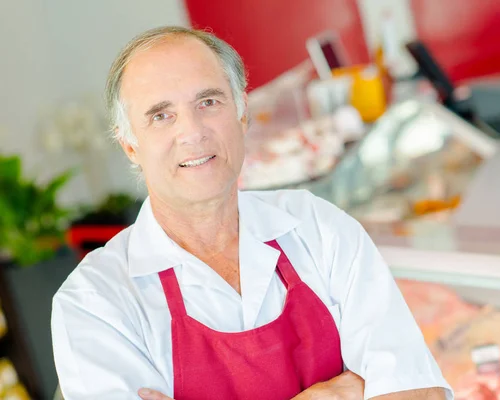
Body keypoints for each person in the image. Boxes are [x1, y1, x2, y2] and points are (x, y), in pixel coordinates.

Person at [51, 26, 452, 400]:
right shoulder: (95, 302)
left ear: (241, 114)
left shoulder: (317, 227)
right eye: (161, 115)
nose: (192, 131)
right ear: (130, 145)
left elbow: (419, 392)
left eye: (208, 102)